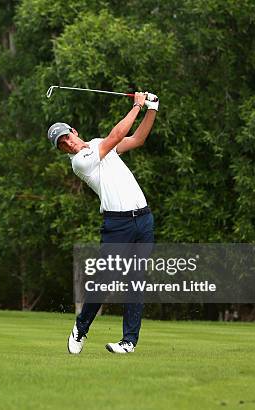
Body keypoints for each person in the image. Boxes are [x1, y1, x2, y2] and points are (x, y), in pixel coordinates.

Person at [47, 91, 159, 354]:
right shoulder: (80, 162)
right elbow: (116, 137)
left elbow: (138, 139)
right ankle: (81, 328)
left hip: (143, 219)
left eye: (67, 137)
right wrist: (137, 106)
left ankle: (129, 341)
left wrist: (152, 109)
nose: (68, 144)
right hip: (117, 225)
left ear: (74, 131)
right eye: (62, 145)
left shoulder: (99, 144)